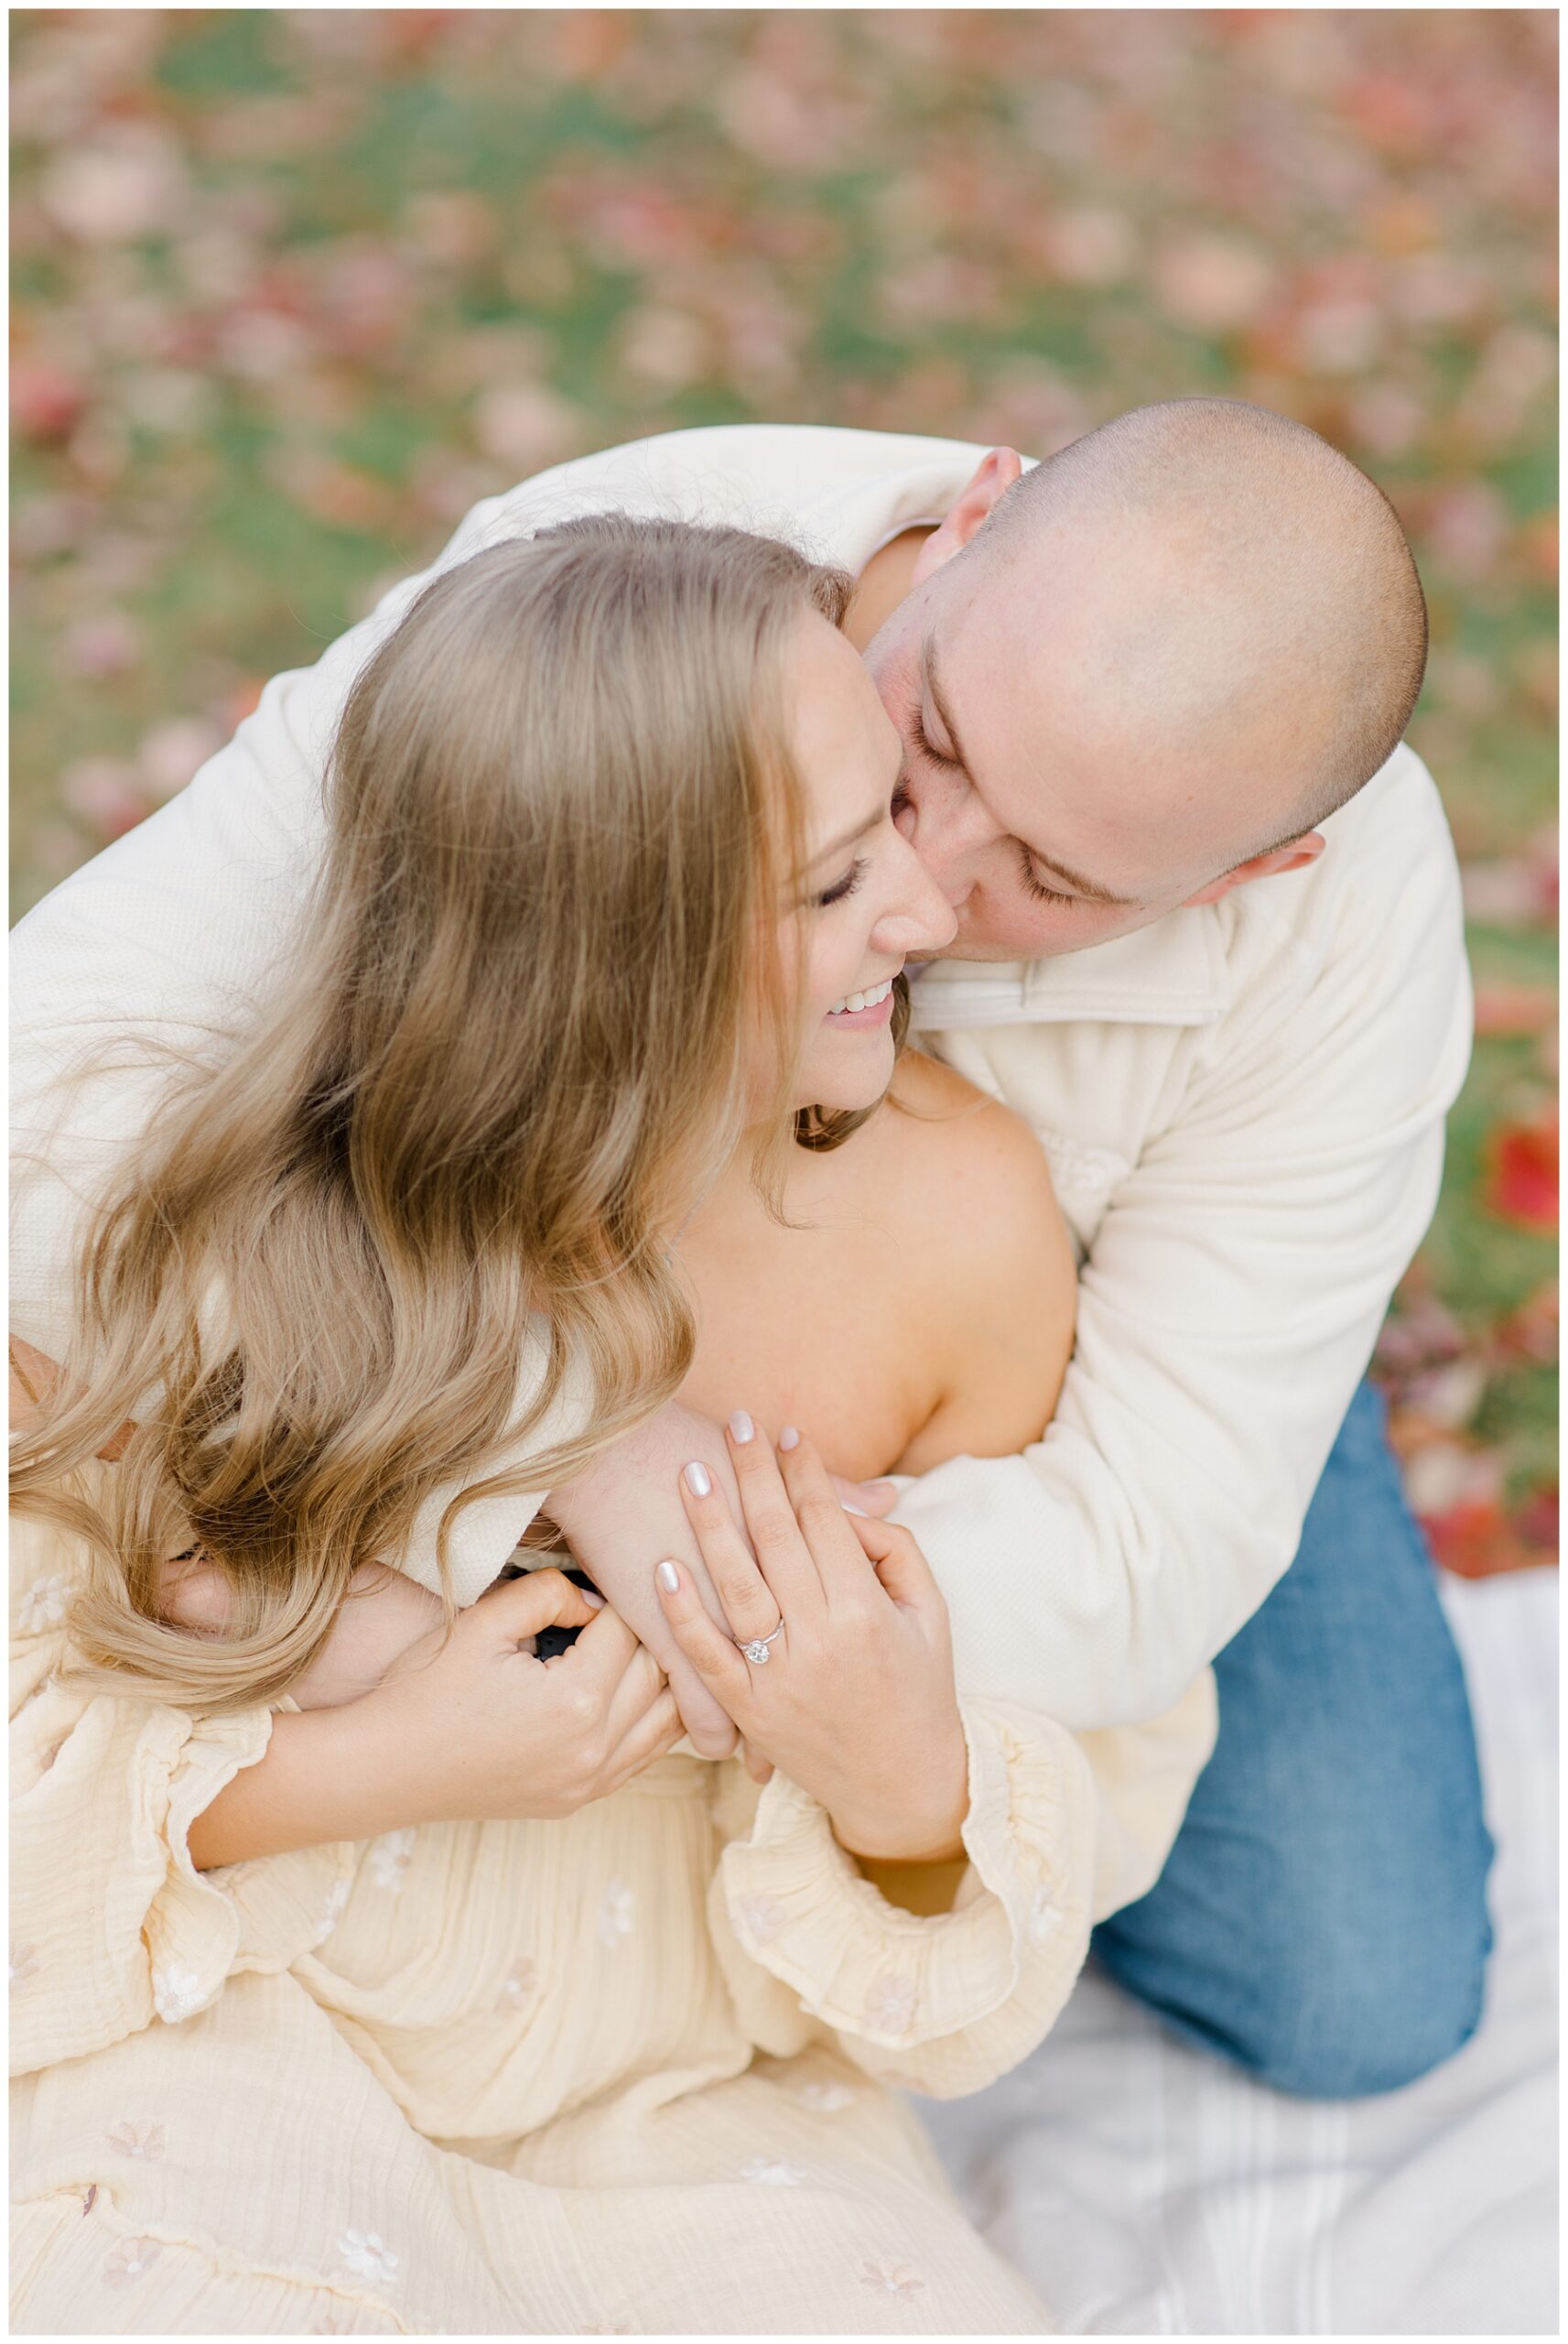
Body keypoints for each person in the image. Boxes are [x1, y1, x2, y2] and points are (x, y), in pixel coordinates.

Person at [11, 399, 1491, 2097]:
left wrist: (654, 1624)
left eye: (1053, 881)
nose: (927, 887)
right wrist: (583, 1443)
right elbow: (46, 1104)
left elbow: (1142, 1545)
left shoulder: (1341, 927)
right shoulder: (635, 578)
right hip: (487, 1294)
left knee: (1349, 1984)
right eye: (924, 740)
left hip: (1094, 1356)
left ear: (1259, 867)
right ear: (979, 513)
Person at [12, 515, 1212, 2333]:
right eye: (830, 880)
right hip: (245, 2012)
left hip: (683, 2112)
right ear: (591, 953)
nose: (924, 909)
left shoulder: (963, 1226)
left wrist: (904, 1781)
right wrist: (384, 1756)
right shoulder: (200, 1211)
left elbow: (1041, 1826)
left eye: (892, 805)